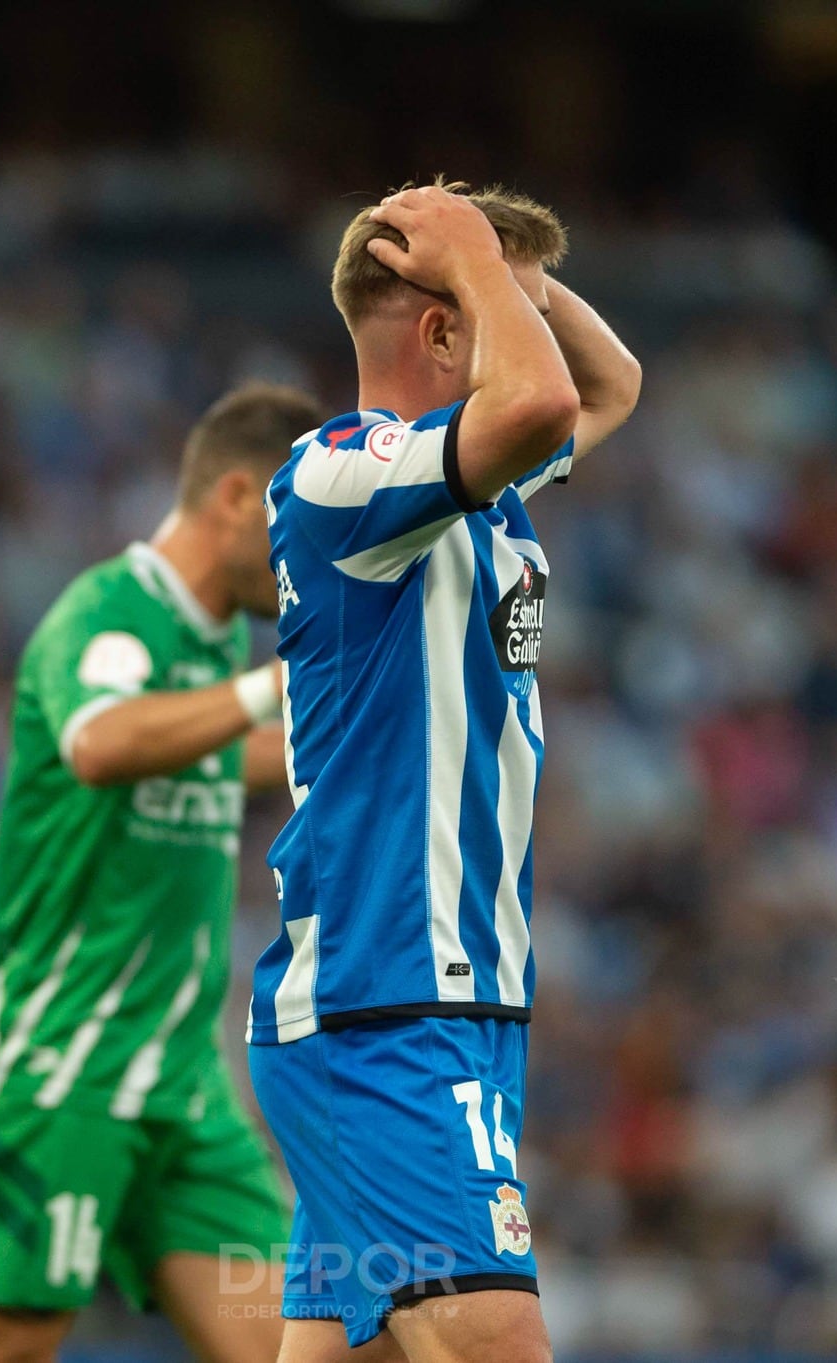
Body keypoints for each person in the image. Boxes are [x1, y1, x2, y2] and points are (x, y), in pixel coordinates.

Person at [247, 181, 642, 1363]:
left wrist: (500, 266)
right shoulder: (340, 477)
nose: (528, 326)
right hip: (385, 1006)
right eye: (498, 309)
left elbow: (607, 384)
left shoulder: (475, 490)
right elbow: (543, 396)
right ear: (438, 330)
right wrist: (470, 260)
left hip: (455, 1008)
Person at [0, 382, 323, 1363]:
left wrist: (365, 734)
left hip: (180, 1080)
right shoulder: (107, 612)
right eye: (298, 526)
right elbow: (101, 742)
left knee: (303, 1346)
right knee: (0, 1351)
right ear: (237, 496)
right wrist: (262, 689)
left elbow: (219, 759)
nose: (307, 560)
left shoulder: (214, 640)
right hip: (61, 1057)